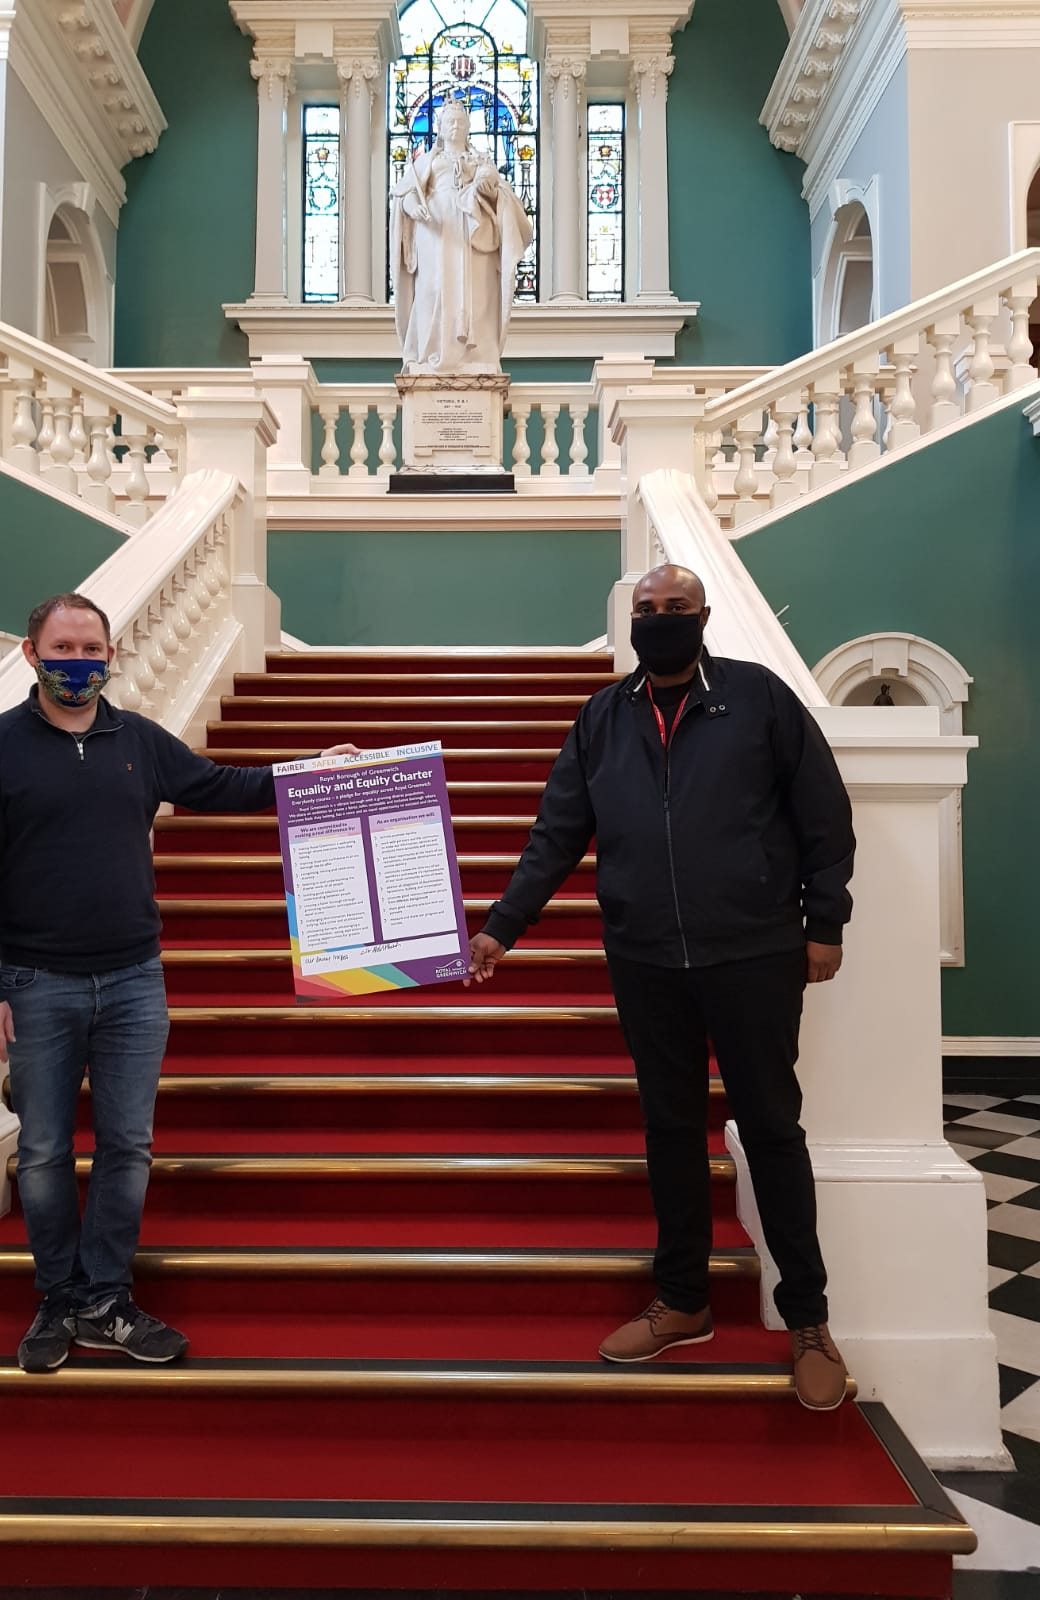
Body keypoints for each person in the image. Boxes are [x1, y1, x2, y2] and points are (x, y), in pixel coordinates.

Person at [465, 565, 856, 1412]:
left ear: (703, 617)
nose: (660, 620)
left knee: (773, 1130)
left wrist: (824, 924)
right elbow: (557, 833)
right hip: (645, 959)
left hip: (754, 952)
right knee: (671, 1129)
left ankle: (810, 1321)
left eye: (675, 608)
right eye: (646, 611)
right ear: (630, 623)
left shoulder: (759, 699)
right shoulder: (603, 718)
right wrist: (501, 925)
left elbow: (824, 817)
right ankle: (683, 1300)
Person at [0, 593, 356, 1373]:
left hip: (135, 980)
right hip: (36, 983)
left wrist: (312, 775)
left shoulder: (139, 741)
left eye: (92, 649)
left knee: (128, 1148)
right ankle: (58, 1297)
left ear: (110, 656)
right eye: (62, 648)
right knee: (41, 1151)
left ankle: (105, 1299)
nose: (79, 662)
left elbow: (222, 787)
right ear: (31, 655)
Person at [390, 97, 532, 374]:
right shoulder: (429, 162)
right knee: (434, 288)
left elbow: (496, 191)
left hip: (470, 229)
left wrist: (485, 185)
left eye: (460, 122)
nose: (455, 126)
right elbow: (404, 194)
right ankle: (431, 354)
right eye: (449, 122)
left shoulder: (480, 159)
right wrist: (414, 207)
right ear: (440, 128)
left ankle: (474, 357)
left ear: (468, 128)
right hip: (434, 229)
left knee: (475, 291)